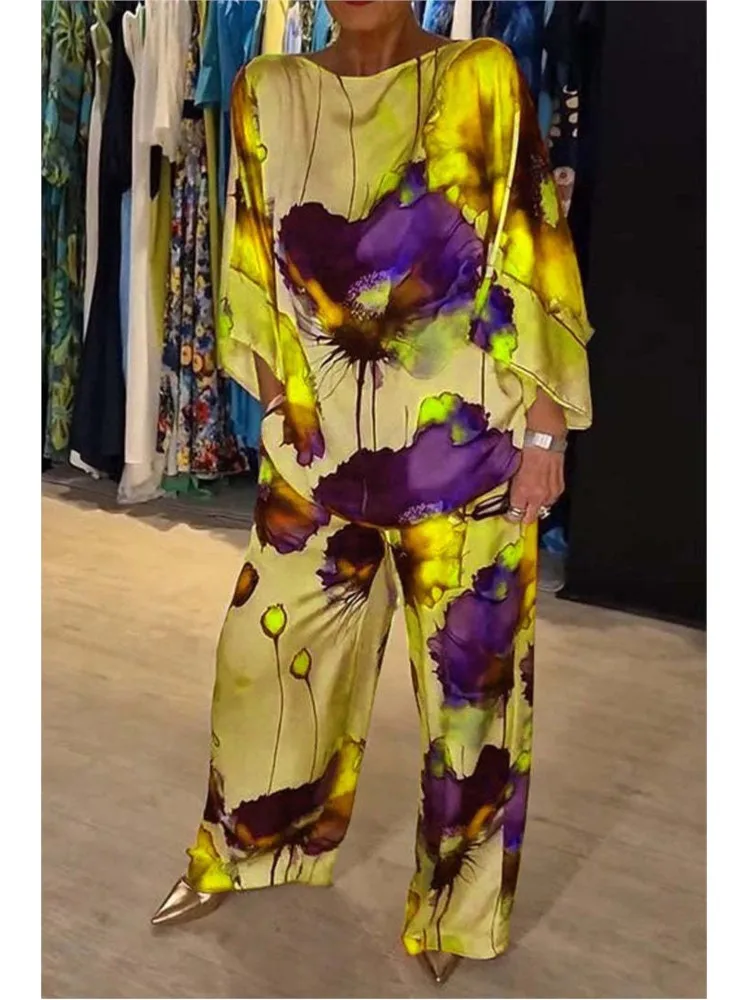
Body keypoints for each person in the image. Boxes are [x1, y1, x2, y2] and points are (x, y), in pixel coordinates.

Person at [151, 0, 592, 986]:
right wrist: (279, 405)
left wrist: (544, 429)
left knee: (473, 702)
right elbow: (253, 257)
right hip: (321, 457)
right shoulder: (267, 89)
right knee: (261, 658)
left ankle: (454, 915)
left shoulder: (481, 74)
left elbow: (533, 248)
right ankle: (247, 843)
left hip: (467, 453)